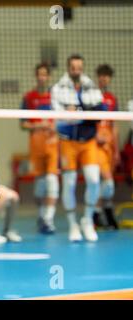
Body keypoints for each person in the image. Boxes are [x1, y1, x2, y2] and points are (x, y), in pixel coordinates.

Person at [51, 54, 106, 242]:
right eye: (73, 67)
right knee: (70, 183)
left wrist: (77, 113)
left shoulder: (91, 86)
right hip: (67, 141)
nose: (76, 70)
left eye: (79, 67)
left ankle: (87, 220)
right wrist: (85, 114)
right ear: (68, 68)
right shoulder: (58, 88)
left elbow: (101, 112)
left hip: (88, 141)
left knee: (93, 179)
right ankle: (73, 224)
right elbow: (60, 118)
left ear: (82, 68)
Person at [20, 63, 59, 234]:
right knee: (40, 186)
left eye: (45, 74)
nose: (42, 77)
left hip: (52, 144)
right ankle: (42, 216)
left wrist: (54, 126)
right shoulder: (29, 97)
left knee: (52, 182)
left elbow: (64, 120)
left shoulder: (56, 97)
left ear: (48, 76)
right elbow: (23, 123)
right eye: (39, 75)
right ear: (36, 76)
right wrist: (37, 126)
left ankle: (48, 219)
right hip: (36, 145)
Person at [93, 64, 119, 229]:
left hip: (109, 147)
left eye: (107, 76)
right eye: (101, 75)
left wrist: (116, 150)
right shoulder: (91, 97)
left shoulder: (112, 99)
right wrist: (95, 136)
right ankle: (94, 213)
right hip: (95, 146)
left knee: (107, 183)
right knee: (107, 182)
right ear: (98, 77)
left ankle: (107, 211)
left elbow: (115, 125)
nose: (104, 78)